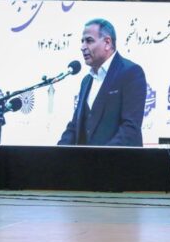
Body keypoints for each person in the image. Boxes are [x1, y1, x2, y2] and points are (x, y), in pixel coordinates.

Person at [58, 19, 146, 147]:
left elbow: (130, 129)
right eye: (82, 41)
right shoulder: (86, 81)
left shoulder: (131, 73)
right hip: (84, 159)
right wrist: (57, 152)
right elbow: (75, 126)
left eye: (89, 41)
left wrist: (101, 156)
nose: (82, 47)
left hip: (119, 159)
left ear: (107, 43)